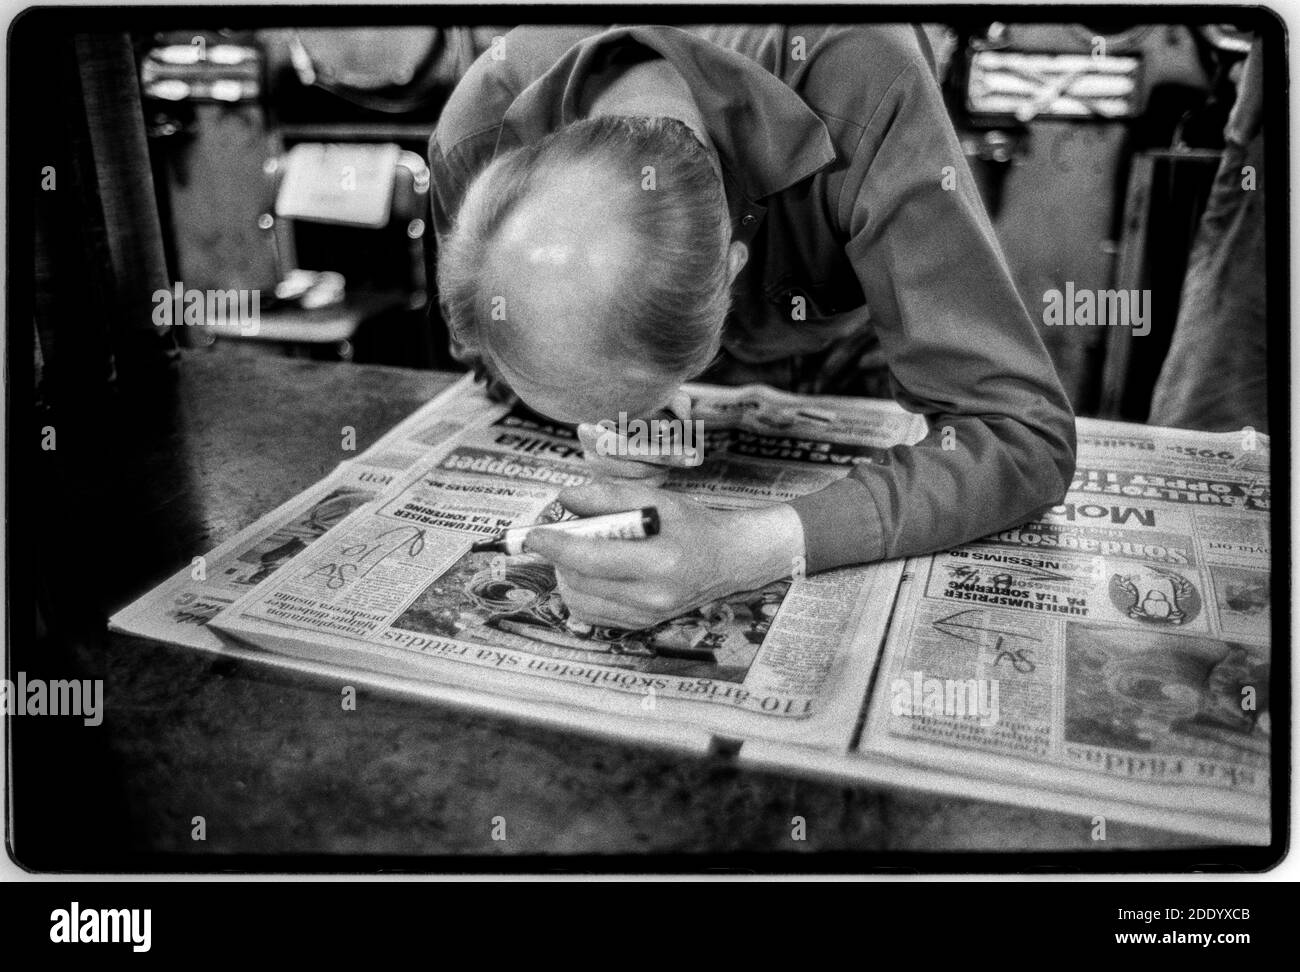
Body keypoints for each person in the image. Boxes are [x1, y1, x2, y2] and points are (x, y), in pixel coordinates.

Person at [429, 24, 1076, 629]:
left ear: (733, 269)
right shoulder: (477, 132)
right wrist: (602, 409)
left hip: (852, 353)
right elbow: (488, 358)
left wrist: (743, 550)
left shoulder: (865, 81)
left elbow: (1020, 434)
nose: (622, 422)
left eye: (630, 405)